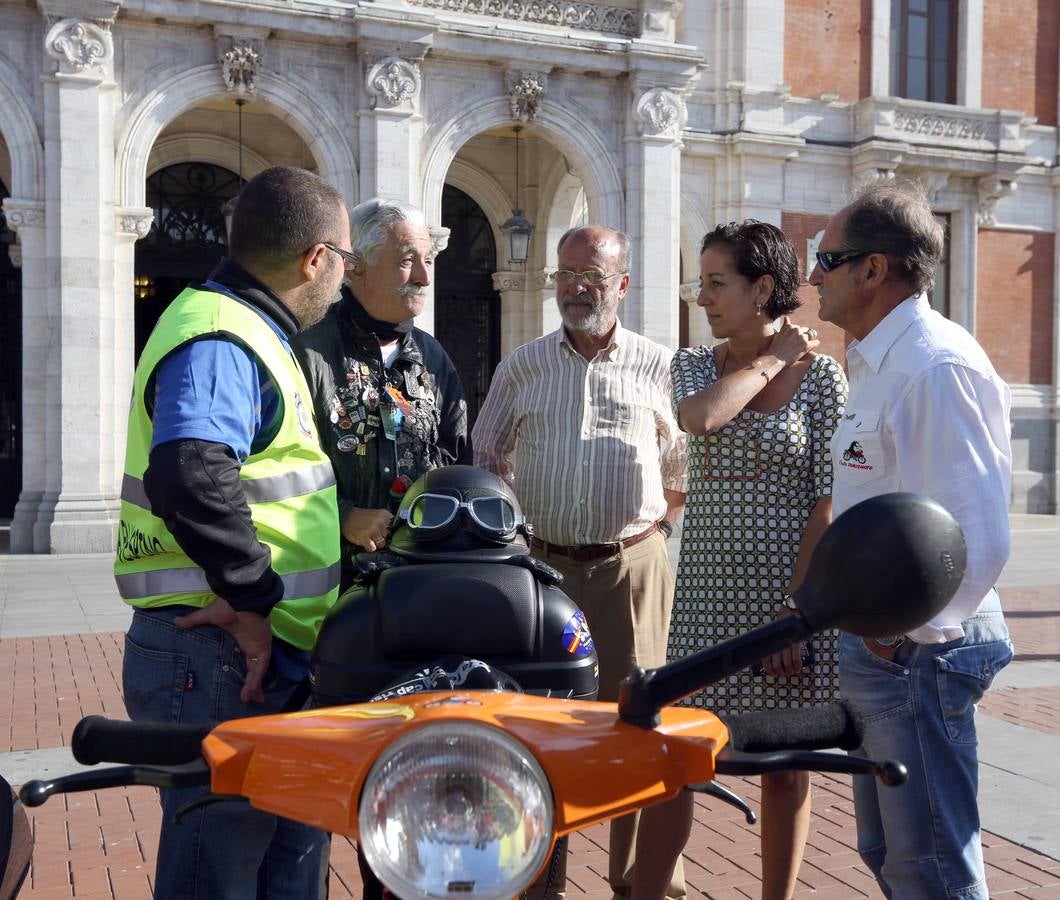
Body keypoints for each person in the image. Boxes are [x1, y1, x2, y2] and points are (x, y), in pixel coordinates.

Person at [114, 166, 351, 900]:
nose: (344, 280)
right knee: (216, 874)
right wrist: (252, 601)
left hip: (256, 658)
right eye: (343, 259)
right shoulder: (221, 332)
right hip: (219, 654)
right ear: (315, 258)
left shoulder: (248, 330)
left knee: (283, 868)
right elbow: (189, 470)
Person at [809, 181, 1013, 899]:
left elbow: (977, 531)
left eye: (826, 260)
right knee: (890, 852)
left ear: (874, 269)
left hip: (916, 651)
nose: (813, 277)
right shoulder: (878, 362)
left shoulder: (932, 365)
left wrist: (906, 636)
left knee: (929, 863)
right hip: (888, 646)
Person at [633, 220, 848, 900]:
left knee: (786, 770)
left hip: (787, 605)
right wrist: (771, 360)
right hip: (701, 603)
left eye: (717, 283)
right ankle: (648, 891)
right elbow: (700, 419)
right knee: (677, 753)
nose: (702, 297)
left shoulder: (826, 381)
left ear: (762, 288)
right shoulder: (695, 365)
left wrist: (798, 615)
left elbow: (827, 503)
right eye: (702, 283)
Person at [473, 225, 688, 899]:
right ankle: (538, 882)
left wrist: (646, 535)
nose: (576, 287)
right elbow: (485, 456)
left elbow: (682, 467)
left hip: (632, 572)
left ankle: (635, 884)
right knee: (539, 732)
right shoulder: (522, 366)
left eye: (591, 275)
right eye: (566, 273)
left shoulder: (660, 366)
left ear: (622, 284)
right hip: (542, 576)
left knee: (639, 728)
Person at [293, 197, 471, 592]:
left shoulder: (433, 358)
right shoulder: (305, 349)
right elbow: (272, 468)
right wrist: (341, 515)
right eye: (408, 260)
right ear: (355, 265)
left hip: (418, 580)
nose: (425, 277)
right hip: (322, 587)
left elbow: (455, 462)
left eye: (429, 260)